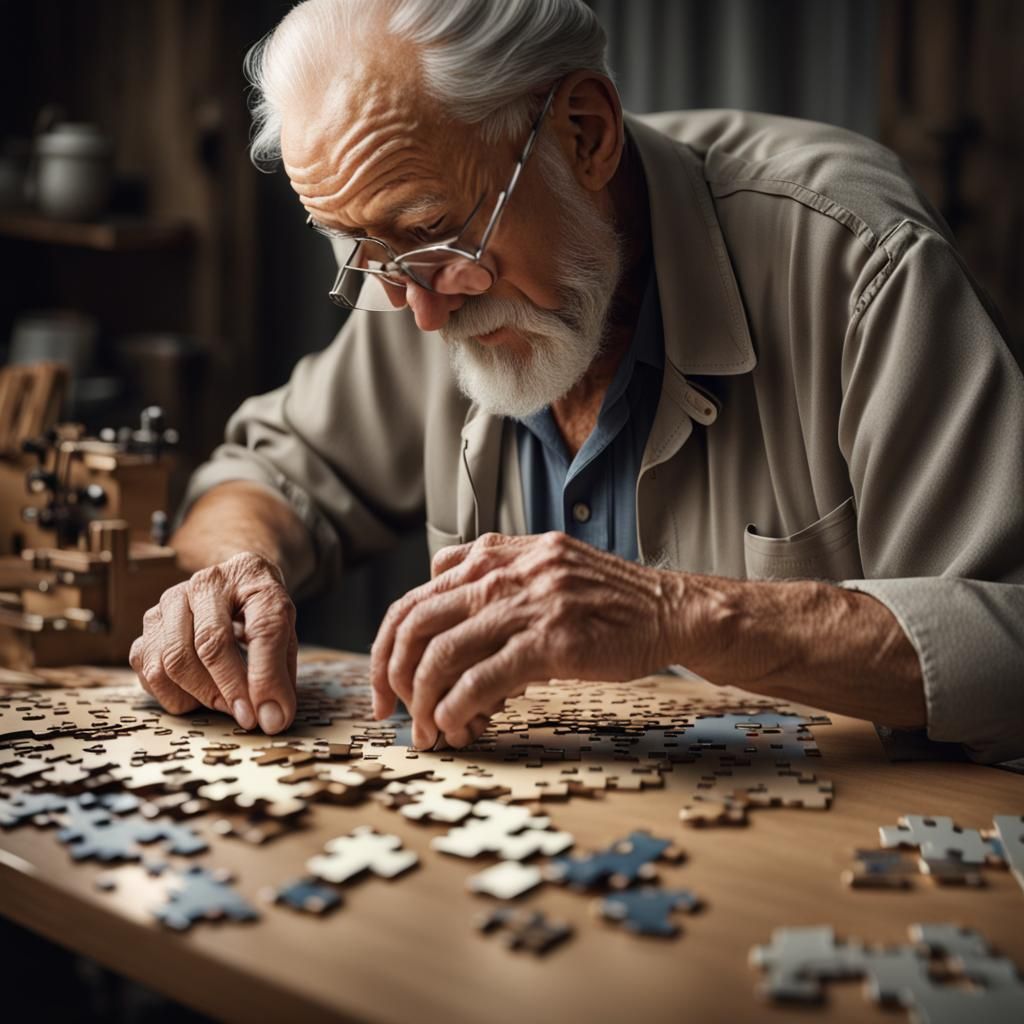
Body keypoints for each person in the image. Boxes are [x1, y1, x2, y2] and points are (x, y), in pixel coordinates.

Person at [129, 0, 1024, 762]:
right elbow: (264, 473)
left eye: (435, 237)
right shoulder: (417, 272)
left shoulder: (857, 264)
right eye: (367, 254)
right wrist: (236, 570)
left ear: (585, 134)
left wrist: (683, 615)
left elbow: (1009, 633)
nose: (424, 318)